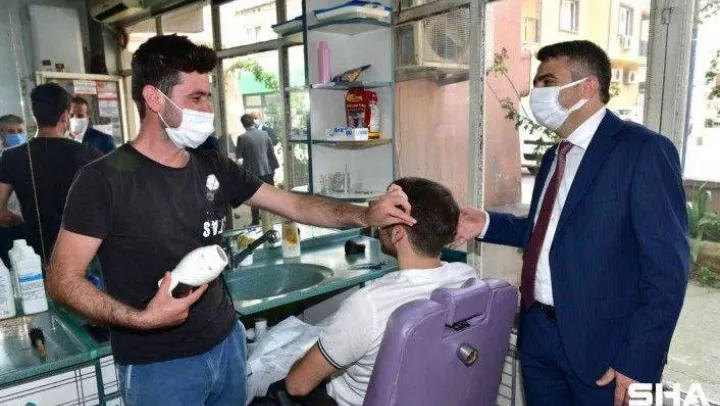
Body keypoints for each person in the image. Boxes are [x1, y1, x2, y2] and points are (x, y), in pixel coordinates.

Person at [46, 34, 415, 406]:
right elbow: (62, 280)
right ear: (154, 99)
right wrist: (142, 319)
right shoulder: (103, 180)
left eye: (208, 97)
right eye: (196, 98)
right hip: (159, 367)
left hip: (226, 345)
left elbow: (296, 205)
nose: (208, 109)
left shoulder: (212, 166)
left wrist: (365, 214)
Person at [452, 40, 689, 406]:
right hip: (539, 335)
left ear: (587, 87)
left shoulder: (642, 151)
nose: (536, 93)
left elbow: (668, 271)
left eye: (548, 82)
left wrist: (638, 361)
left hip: (606, 351)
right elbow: (550, 231)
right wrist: (485, 223)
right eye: (536, 84)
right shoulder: (554, 156)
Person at [279, 177, 477, 406]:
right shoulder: (466, 277)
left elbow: (297, 385)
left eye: (384, 213)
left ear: (398, 233)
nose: (377, 221)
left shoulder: (368, 305)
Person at [0, 85, 102, 264]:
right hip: (83, 252)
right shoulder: (88, 154)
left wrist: (24, 220)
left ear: (34, 115)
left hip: (33, 254)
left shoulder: (12, 157)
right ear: (65, 116)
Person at [236, 113, 279, 225]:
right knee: (269, 194)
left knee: (253, 196)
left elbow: (239, 156)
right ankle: (269, 220)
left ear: (243, 124)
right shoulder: (265, 134)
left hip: (251, 172)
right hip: (267, 169)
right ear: (253, 122)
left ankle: (255, 221)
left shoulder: (242, 138)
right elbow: (271, 151)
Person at [0, 114, 27, 265]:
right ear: (1, 135)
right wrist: (23, 219)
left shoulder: (29, 160)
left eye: (20, 131)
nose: (17, 135)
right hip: (5, 229)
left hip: (27, 227)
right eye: (11, 132)